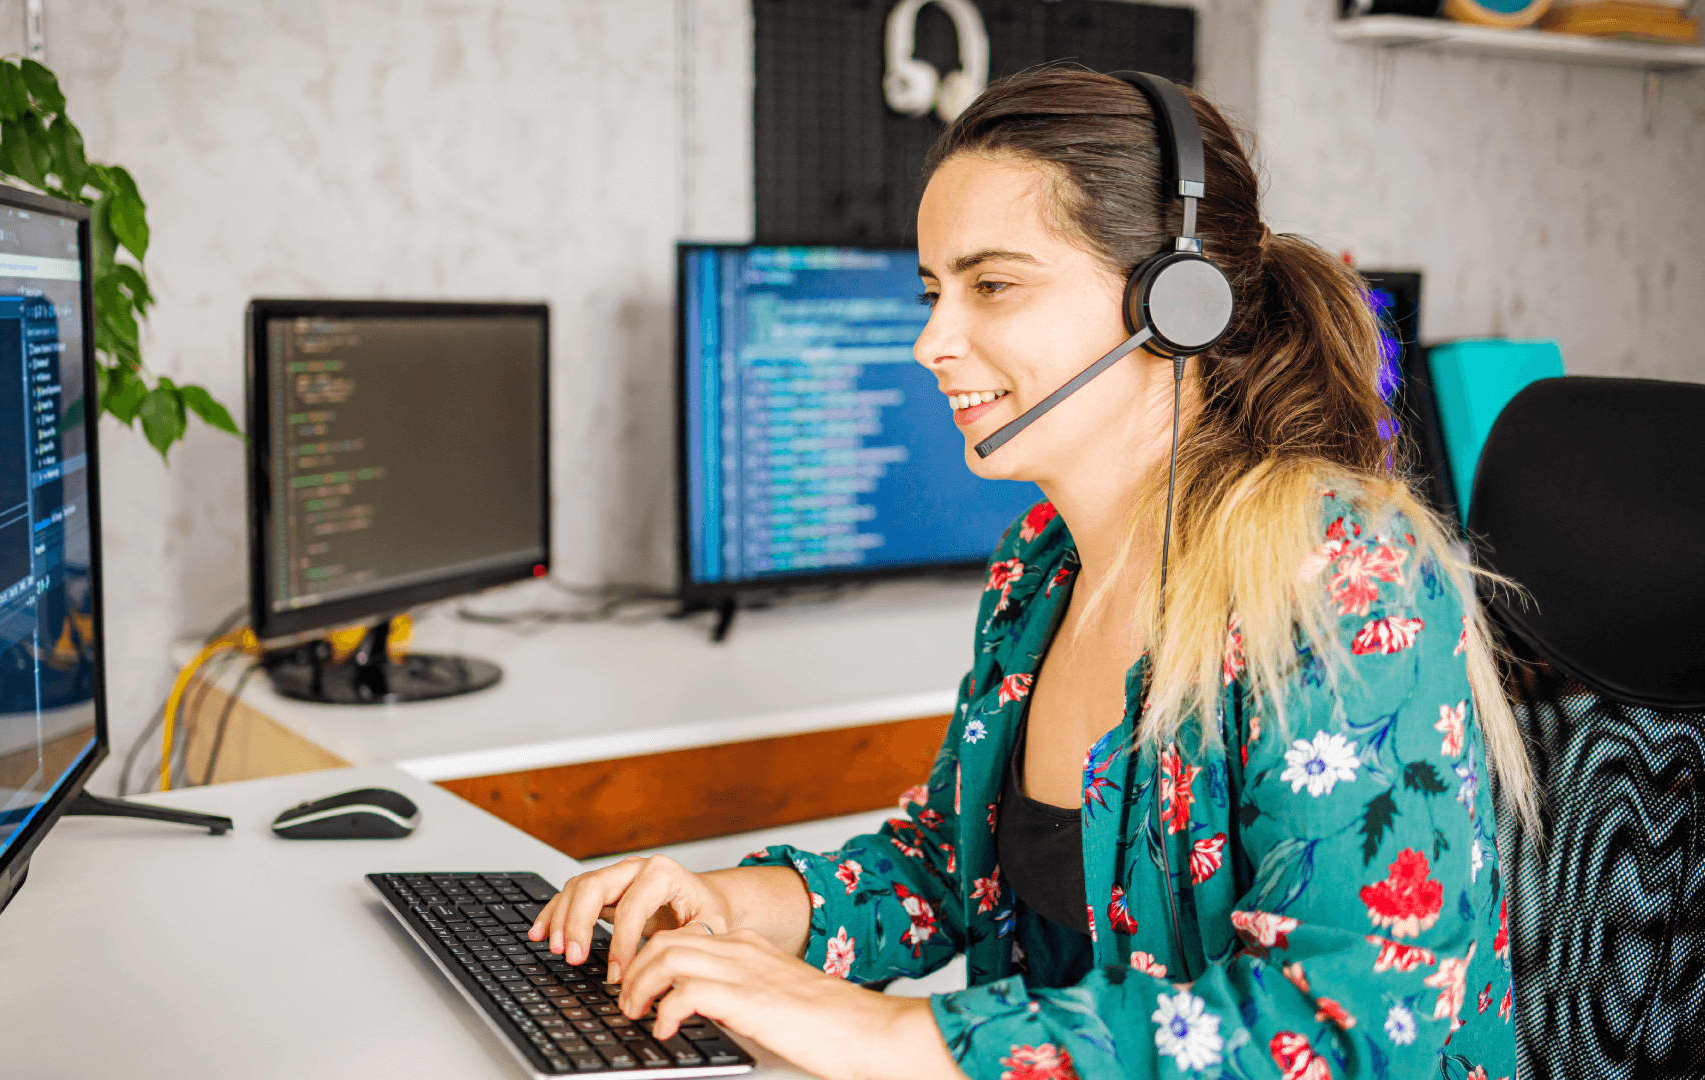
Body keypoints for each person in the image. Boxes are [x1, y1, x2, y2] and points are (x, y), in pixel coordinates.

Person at [529, 66, 1535, 1080]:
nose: (931, 341)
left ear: (1176, 301)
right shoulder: (1041, 567)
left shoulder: (1338, 571)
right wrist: (737, 907)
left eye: (992, 284)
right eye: (932, 292)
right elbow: (947, 868)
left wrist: (889, 1037)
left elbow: (1353, 1032)